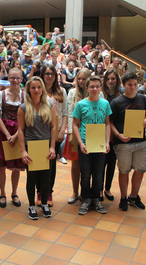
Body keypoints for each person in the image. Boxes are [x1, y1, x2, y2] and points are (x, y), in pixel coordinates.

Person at [110, 72, 146, 211]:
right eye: (129, 85)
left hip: (140, 142)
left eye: (135, 84)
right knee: (124, 170)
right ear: (123, 85)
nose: (132, 87)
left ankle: (134, 197)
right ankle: (123, 197)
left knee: (140, 170)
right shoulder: (116, 102)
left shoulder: (143, 99)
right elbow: (110, 123)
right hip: (123, 143)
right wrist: (118, 135)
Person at [18, 76, 56, 220]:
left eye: (39, 87)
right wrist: (23, 151)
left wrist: (52, 147)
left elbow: (53, 128)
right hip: (31, 146)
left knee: (46, 178)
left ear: (42, 89)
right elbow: (21, 130)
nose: (36, 90)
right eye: (33, 87)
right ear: (28, 89)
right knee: (32, 178)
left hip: (45, 146)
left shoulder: (50, 105)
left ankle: (44, 204)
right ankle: (31, 206)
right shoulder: (23, 107)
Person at [72, 75, 111, 215]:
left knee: (99, 172)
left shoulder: (105, 104)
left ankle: (96, 198)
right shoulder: (81, 104)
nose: (95, 89)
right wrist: (81, 143)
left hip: (99, 144)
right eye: (92, 86)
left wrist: (107, 142)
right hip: (85, 144)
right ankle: (86, 199)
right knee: (86, 173)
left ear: (101, 88)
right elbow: (75, 125)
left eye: (97, 86)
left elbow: (107, 124)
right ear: (87, 88)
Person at [0, 68, 25, 208]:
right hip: (4, 130)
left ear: (22, 79)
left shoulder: (25, 95)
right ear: (8, 78)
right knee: (2, 166)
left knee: (17, 167)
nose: (15, 80)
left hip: (19, 131)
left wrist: (17, 134)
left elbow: (26, 117)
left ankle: (14, 192)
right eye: (12, 78)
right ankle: (2, 193)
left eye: (18, 78)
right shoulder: (1, 94)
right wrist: (7, 134)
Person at [35, 65, 67, 207]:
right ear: (42, 75)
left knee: (51, 164)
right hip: (39, 131)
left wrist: (62, 132)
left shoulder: (61, 91)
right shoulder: (36, 90)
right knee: (38, 163)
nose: (49, 76)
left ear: (55, 76)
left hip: (56, 131)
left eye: (52, 74)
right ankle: (39, 191)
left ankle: (48, 191)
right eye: (47, 73)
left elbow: (65, 113)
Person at [63, 68, 91, 204]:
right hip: (75, 130)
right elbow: (69, 113)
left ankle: (87, 192)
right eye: (79, 78)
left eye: (83, 78)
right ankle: (75, 191)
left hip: (91, 131)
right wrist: (69, 133)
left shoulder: (96, 91)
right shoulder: (72, 92)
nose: (81, 81)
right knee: (75, 163)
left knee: (90, 162)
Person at [101, 69, 122, 201]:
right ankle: (98, 188)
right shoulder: (101, 94)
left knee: (112, 163)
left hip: (116, 133)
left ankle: (107, 188)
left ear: (117, 80)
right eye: (108, 78)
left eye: (113, 78)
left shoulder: (121, 95)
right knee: (100, 163)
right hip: (100, 133)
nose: (110, 81)